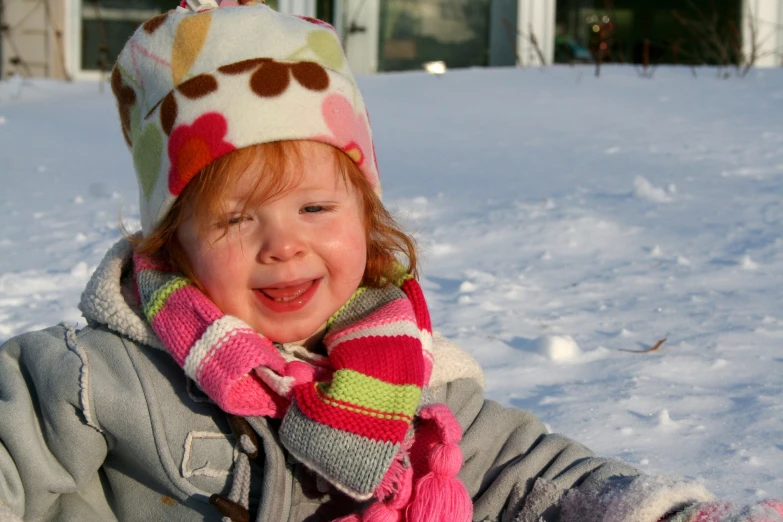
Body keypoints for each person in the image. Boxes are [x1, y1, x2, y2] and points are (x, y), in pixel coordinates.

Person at [0, 2, 781, 521]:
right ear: (172, 241)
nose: (283, 244)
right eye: (237, 217)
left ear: (366, 221)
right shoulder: (90, 379)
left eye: (315, 208)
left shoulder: (411, 376)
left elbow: (525, 476)